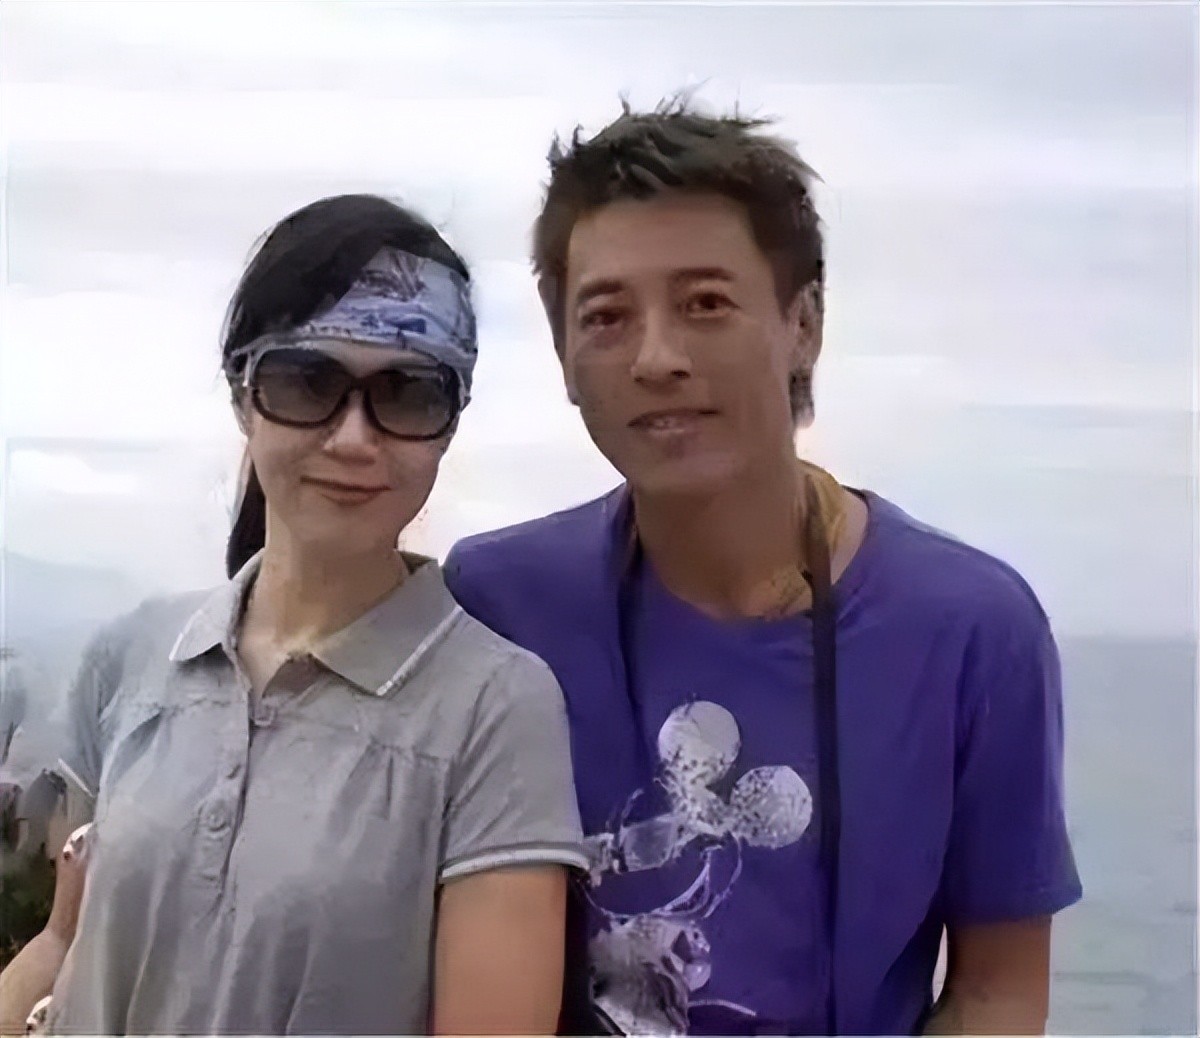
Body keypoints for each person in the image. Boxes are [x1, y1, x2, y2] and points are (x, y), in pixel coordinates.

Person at [444, 100, 1082, 1036]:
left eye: (706, 304)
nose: (657, 358)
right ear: (564, 359)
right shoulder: (499, 602)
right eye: (607, 316)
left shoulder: (968, 629)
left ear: (803, 324)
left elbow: (999, 988)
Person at [0, 194, 586, 1037]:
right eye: (307, 382)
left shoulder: (494, 709)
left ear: (449, 422)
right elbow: (65, 944)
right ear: (244, 395)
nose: (353, 437)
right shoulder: (134, 656)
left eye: (408, 393)